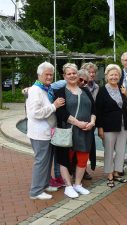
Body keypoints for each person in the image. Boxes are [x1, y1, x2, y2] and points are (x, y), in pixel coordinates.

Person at [54, 63, 96, 198]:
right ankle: (68, 186)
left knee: (83, 159)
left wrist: (92, 122)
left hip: (86, 131)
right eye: (69, 74)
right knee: (65, 159)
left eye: (74, 73)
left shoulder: (86, 91)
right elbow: (61, 113)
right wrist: (78, 123)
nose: (72, 75)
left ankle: (78, 184)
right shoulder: (60, 92)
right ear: (64, 76)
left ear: (78, 74)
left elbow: (94, 110)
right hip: (68, 131)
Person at [26, 62, 65, 200]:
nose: (49, 77)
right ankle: (35, 191)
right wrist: (54, 106)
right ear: (39, 75)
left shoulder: (46, 88)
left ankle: (45, 184)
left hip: (47, 132)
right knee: (41, 161)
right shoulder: (35, 90)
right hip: (39, 133)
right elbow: (35, 113)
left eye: (51, 74)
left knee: (47, 161)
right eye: (46, 74)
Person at [96, 64, 127, 188]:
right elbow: (98, 111)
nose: (114, 77)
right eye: (111, 75)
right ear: (107, 76)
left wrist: (126, 95)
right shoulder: (102, 90)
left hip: (123, 125)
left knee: (121, 151)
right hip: (108, 126)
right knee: (109, 151)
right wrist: (100, 128)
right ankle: (109, 174)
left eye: (116, 75)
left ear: (119, 76)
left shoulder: (122, 89)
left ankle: (117, 172)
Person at [81, 62, 99, 180]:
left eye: (93, 72)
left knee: (89, 146)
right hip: (80, 120)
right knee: (80, 146)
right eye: (89, 72)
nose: (92, 74)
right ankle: (79, 169)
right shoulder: (80, 85)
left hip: (92, 120)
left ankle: (84, 168)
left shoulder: (97, 87)